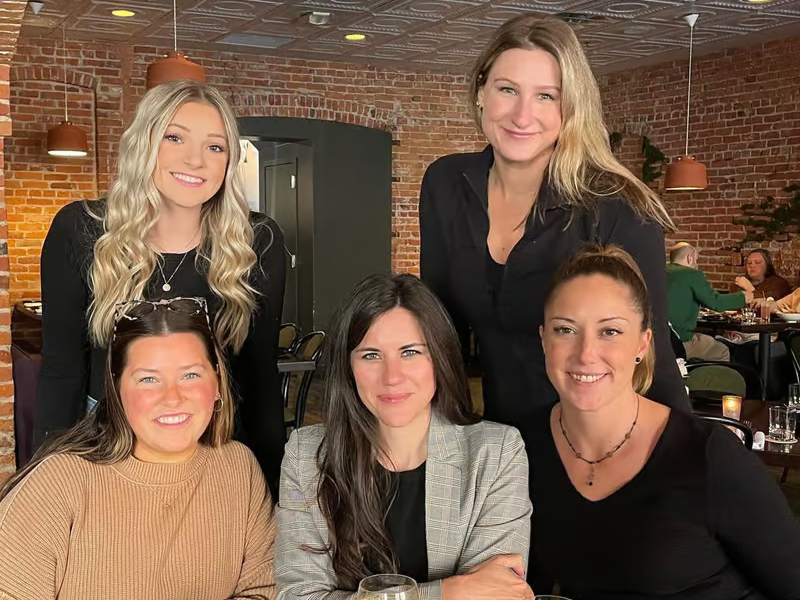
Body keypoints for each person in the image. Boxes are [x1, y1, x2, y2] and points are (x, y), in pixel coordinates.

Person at [418, 14, 690, 442]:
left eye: (546, 96)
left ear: (571, 108)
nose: (522, 115)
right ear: (481, 92)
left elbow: (653, 363)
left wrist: (688, 459)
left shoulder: (620, 210)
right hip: (497, 446)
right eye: (507, 89)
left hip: (597, 448)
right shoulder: (445, 184)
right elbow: (437, 332)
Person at [34, 80, 286, 497]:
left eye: (215, 146)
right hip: (104, 448)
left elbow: (257, 376)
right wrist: (44, 482)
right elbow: (62, 369)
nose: (196, 160)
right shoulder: (80, 230)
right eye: (174, 137)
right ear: (144, 144)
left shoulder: (257, 241)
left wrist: (268, 488)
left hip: (214, 449)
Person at [528, 245, 800, 600]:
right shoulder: (521, 449)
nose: (586, 354)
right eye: (565, 329)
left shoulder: (710, 456)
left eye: (610, 331)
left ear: (643, 344)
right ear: (543, 340)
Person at [276, 274, 533, 599]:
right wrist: (448, 592)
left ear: (439, 357)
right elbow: (298, 595)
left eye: (410, 352)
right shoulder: (307, 457)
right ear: (348, 367)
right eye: (371, 355)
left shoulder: (497, 454)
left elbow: (496, 595)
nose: (392, 377)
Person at [0, 298, 276, 599]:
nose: (172, 397)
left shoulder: (238, 467)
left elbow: (261, 589)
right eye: (148, 379)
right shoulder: (56, 485)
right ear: (117, 390)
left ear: (218, 382)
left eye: (190, 375)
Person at [666, 242, 753, 361]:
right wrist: (743, 297)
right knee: (722, 350)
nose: (696, 264)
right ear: (689, 258)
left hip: (658, 341)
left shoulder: (660, 272)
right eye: (696, 260)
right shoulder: (692, 274)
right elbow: (716, 302)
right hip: (680, 340)